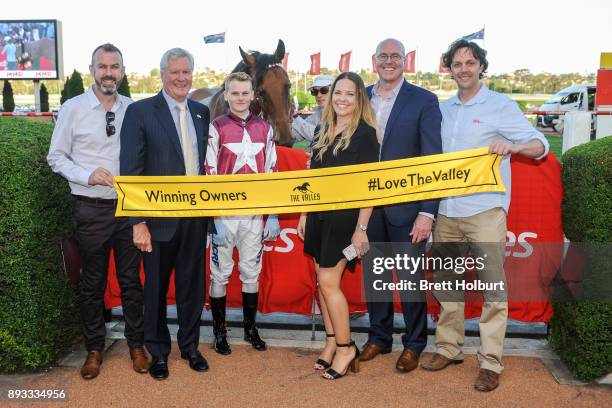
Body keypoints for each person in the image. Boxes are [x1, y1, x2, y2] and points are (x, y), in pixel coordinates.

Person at [419, 39, 549, 392]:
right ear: (449, 68)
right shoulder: (441, 109)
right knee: (447, 285)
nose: (463, 68)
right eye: (457, 63)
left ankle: (491, 362)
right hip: (446, 211)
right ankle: (449, 348)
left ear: (481, 66)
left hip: (485, 211)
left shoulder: (501, 105)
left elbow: (540, 146)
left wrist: (515, 146)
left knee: (493, 288)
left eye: (470, 62)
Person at [47, 43, 147, 380]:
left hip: (127, 209)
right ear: (92, 70)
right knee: (92, 283)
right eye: (102, 66)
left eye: (114, 66)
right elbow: (56, 157)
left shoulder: (133, 109)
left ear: (122, 70)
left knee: (132, 281)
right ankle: (94, 347)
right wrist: (86, 175)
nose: (108, 72)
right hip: (90, 208)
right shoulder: (73, 108)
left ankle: (136, 344)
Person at [120, 48, 211, 380]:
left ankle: (189, 347)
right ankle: (158, 352)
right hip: (156, 222)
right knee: (155, 290)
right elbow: (129, 171)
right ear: (162, 74)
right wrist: (138, 222)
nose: (182, 78)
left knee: (192, 288)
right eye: (175, 72)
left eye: (186, 72)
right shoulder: (140, 112)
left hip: (195, 219)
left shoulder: (202, 112)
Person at [360, 38, 442, 373]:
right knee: (375, 274)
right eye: (384, 56)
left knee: (409, 279)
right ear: (374, 60)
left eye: (395, 56)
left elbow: (432, 159)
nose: (389, 61)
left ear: (405, 61)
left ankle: (414, 343)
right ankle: (379, 337)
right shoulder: (359, 95)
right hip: (366, 207)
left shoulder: (424, 100)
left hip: (407, 209)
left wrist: (427, 211)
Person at [297, 71, 380, 380]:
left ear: (359, 99)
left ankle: (346, 348)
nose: (343, 99)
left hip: (346, 219)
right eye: (338, 93)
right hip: (319, 216)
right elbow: (313, 178)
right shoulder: (322, 128)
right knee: (322, 280)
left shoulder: (365, 134)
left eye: (350, 94)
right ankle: (332, 343)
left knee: (330, 283)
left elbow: (370, 186)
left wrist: (361, 228)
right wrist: (305, 213)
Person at [205, 72, 280, 355]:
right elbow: (209, 173)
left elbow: (272, 173)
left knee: (251, 272)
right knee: (220, 274)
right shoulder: (217, 127)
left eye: (244, 93)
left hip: (254, 215)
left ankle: (250, 329)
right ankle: (219, 332)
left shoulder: (265, 128)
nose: (239, 98)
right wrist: (215, 219)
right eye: (234, 93)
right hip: (224, 216)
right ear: (226, 95)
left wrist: (272, 215)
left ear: (252, 95)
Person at [291, 75, 334, 150]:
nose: (319, 95)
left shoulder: (340, 114)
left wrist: (295, 116)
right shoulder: (317, 114)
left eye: (324, 90)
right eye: (315, 92)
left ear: (335, 92)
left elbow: (318, 135)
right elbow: (296, 134)